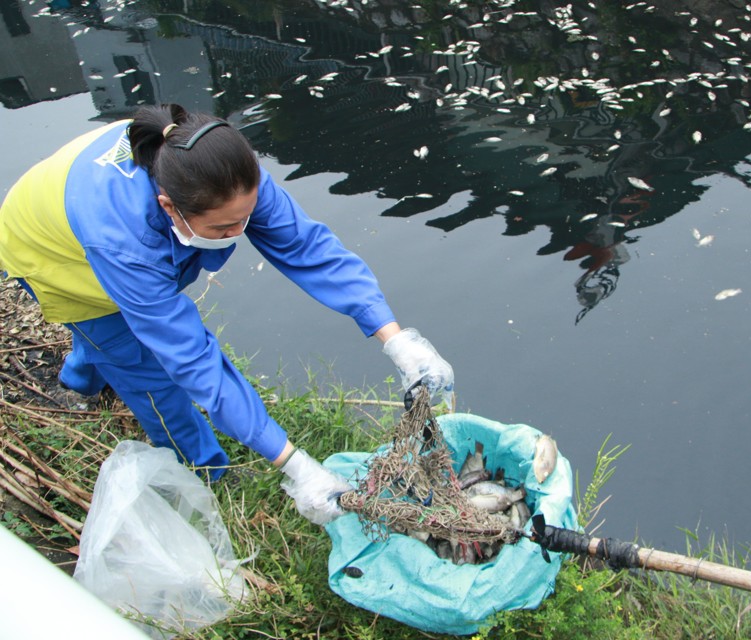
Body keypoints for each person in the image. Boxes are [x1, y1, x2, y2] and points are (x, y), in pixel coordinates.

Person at [0, 103, 454, 526]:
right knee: (143, 364)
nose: (240, 233)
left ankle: (82, 376)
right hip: (49, 248)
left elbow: (307, 248)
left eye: (247, 217)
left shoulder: (227, 173)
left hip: (85, 200)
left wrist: (396, 338)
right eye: (224, 228)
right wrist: (296, 465)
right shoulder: (123, 242)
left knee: (125, 334)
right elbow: (193, 361)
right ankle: (206, 472)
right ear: (168, 207)